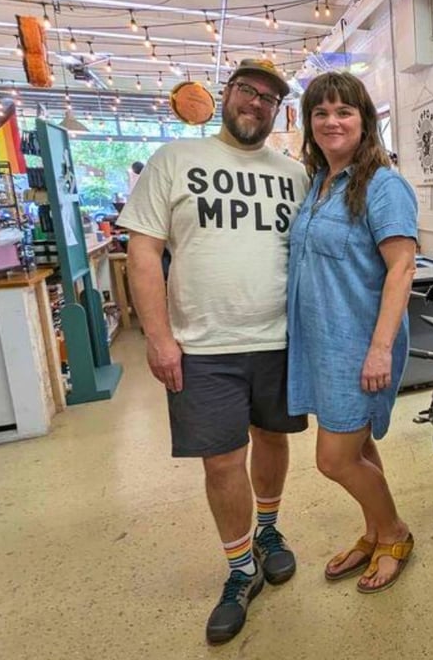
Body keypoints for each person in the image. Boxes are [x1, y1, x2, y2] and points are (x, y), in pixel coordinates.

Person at [120, 59, 309, 644]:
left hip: (280, 339)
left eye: (269, 98)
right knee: (222, 461)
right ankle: (240, 568)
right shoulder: (174, 160)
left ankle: (270, 531)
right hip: (203, 347)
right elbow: (144, 252)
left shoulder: (295, 173)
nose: (256, 103)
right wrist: (158, 337)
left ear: (278, 110)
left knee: (272, 439)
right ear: (225, 95)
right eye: (248, 91)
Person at [288, 72, 418, 594]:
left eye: (343, 111)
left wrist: (379, 350)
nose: (331, 121)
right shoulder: (319, 184)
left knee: (334, 458)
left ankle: (395, 533)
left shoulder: (383, 185)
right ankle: (373, 531)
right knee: (359, 448)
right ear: (309, 125)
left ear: (365, 120)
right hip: (321, 343)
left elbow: (402, 267)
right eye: (320, 113)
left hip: (361, 343)